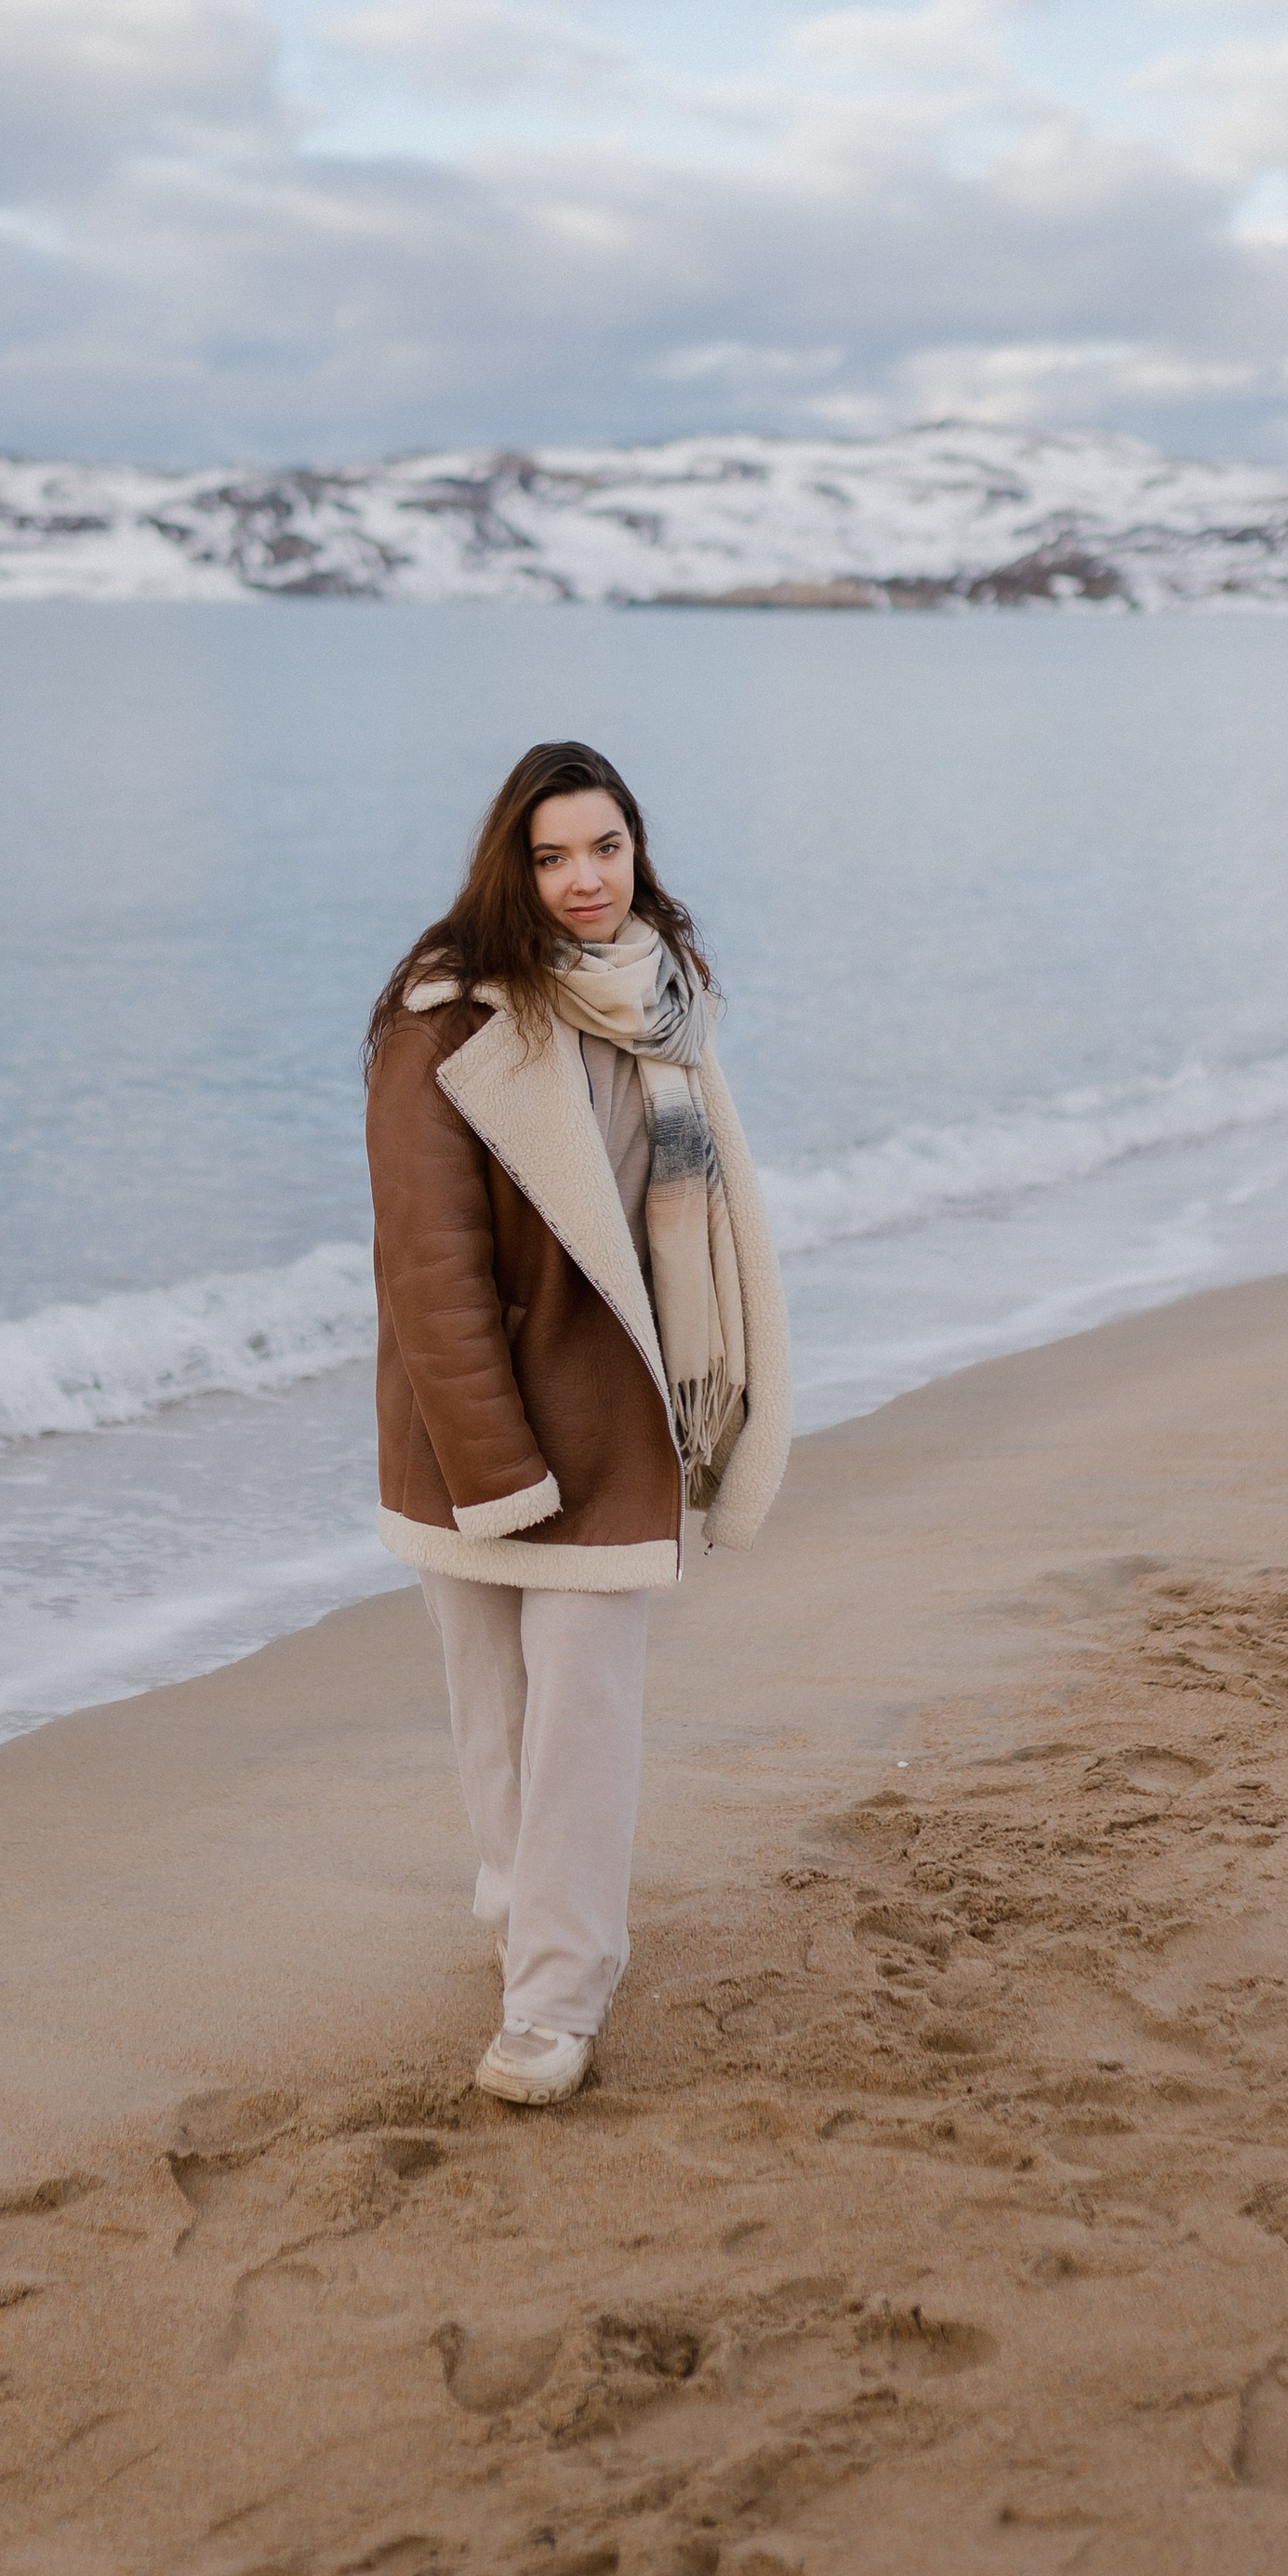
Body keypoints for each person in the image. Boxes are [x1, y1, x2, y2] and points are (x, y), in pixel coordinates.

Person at [364, 740, 791, 2107]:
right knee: (495, 1717)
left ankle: (555, 1997)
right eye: (551, 857)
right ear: (513, 866)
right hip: (471, 1422)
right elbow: (428, 1267)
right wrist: (496, 1466)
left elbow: (703, 1222)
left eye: (606, 847)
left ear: (636, 850)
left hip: (615, 1414)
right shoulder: (444, 1022)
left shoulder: (663, 998)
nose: (585, 879)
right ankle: (528, 1912)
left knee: (581, 1720)